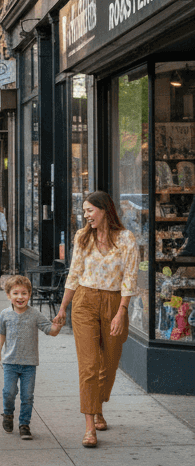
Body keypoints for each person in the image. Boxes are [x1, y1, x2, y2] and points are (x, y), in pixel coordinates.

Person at [53, 190, 139, 448]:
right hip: (85, 301)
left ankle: (97, 404)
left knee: (110, 365)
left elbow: (130, 278)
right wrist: (63, 307)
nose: (86, 215)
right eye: (84, 211)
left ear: (105, 210)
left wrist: (122, 311)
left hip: (114, 302)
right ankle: (90, 426)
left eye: (90, 210)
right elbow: (74, 273)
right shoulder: (82, 237)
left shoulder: (126, 239)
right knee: (89, 366)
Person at [0, 275, 62, 439]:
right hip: (10, 362)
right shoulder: (5, 314)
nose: (20, 297)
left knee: (27, 396)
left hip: (29, 364)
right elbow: (1, 334)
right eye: (15, 293)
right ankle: (8, 414)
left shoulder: (35, 314)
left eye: (24, 293)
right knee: (8, 392)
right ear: (9, 295)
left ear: (29, 295)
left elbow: (50, 331)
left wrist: (57, 326)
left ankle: (24, 424)